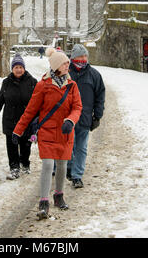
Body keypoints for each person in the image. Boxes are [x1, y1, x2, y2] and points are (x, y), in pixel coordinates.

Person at [12, 47, 82, 219]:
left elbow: (77, 107)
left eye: (67, 63)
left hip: (65, 133)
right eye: (65, 63)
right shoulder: (43, 85)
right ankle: (44, 202)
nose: (68, 66)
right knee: (48, 164)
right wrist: (18, 130)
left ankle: (59, 196)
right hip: (47, 132)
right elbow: (30, 110)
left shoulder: (72, 86)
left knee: (62, 166)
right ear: (56, 65)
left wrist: (70, 121)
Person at [0, 54, 37, 180]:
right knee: (12, 146)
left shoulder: (32, 82)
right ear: (12, 69)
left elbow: (38, 102)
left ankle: (25, 163)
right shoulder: (6, 83)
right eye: (16, 67)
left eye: (20, 67)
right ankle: (14, 168)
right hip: (10, 120)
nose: (18, 69)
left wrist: (39, 119)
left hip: (26, 121)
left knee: (26, 146)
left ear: (24, 68)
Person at [67, 44, 105, 188]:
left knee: (81, 147)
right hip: (68, 118)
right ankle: (69, 167)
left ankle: (77, 175)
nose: (83, 59)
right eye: (80, 56)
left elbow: (100, 95)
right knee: (69, 145)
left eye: (85, 56)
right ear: (73, 58)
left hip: (84, 117)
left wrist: (98, 115)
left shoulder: (94, 75)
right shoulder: (66, 72)